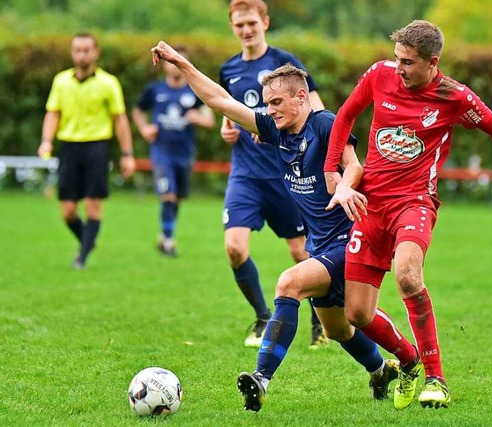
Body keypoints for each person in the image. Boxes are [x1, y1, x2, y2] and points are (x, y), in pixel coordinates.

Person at [150, 42, 411, 412]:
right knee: (338, 330)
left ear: (301, 97)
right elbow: (222, 102)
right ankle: (382, 369)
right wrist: (182, 63)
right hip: (320, 244)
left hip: (351, 239)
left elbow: (354, 164)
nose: (269, 111)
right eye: (267, 104)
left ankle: (261, 378)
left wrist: (347, 184)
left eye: (276, 103)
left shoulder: (323, 123)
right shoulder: (277, 132)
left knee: (289, 283)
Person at [324, 20, 492, 410]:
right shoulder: (379, 75)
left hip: (414, 202)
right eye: (397, 59)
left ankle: (436, 379)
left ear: (432, 62)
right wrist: (332, 170)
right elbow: (345, 116)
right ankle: (408, 362)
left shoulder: (454, 97)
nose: (399, 68)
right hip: (369, 204)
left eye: (408, 62)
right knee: (357, 314)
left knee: (409, 277)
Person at [220, 0, 327, 348]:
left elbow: (315, 110)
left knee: (302, 253)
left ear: (264, 21)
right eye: (239, 25)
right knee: (234, 248)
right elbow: (228, 110)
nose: (246, 29)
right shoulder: (229, 69)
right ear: (233, 27)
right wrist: (228, 129)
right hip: (245, 174)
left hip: (285, 174)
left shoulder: (285, 64)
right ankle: (262, 317)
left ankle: (320, 323)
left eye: (251, 22)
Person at [37, 33, 136, 270]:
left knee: (93, 204)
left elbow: (120, 119)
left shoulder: (108, 83)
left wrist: (127, 154)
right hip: (68, 147)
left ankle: (81, 258)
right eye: (77, 50)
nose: (82, 54)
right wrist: (46, 141)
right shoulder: (61, 81)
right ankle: (87, 242)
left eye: (86, 50)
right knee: (68, 210)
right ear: (72, 53)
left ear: (95, 52)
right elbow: (53, 113)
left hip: (97, 147)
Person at [132, 45, 215, 257]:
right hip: (161, 151)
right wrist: (144, 129)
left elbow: (210, 119)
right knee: (167, 195)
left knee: (176, 198)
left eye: (179, 61)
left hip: (184, 152)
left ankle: (165, 233)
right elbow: (138, 111)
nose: (175, 66)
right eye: (172, 61)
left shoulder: (194, 91)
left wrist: (200, 118)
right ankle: (168, 241)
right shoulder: (155, 90)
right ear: (165, 64)